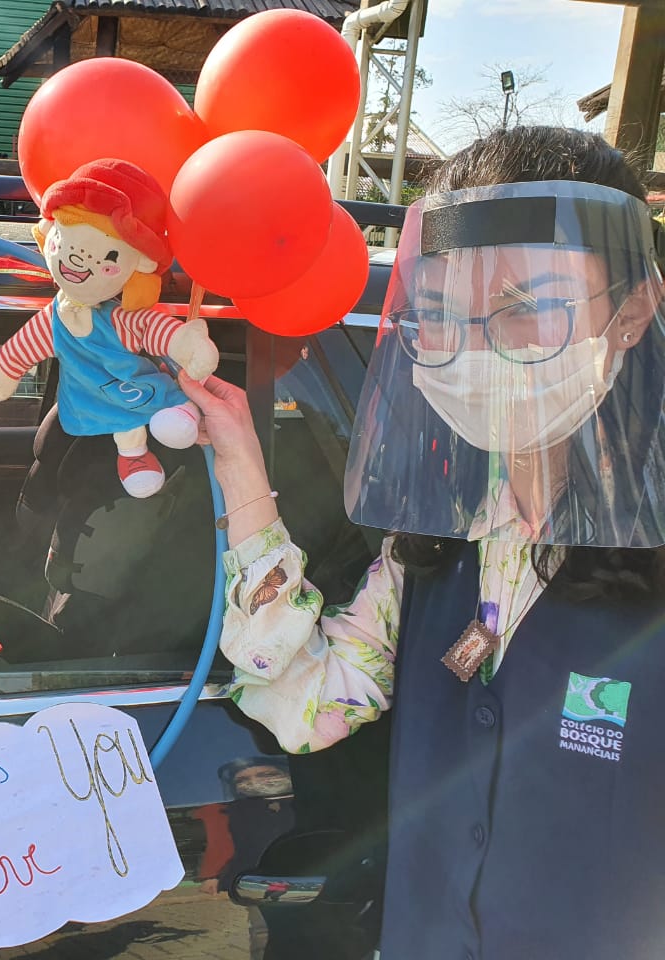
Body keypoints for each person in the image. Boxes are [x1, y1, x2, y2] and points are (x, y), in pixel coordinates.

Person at [179, 126, 665, 960]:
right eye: (442, 313)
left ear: (629, 313)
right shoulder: (437, 548)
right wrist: (241, 468)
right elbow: (306, 706)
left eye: (526, 306)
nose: (478, 347)